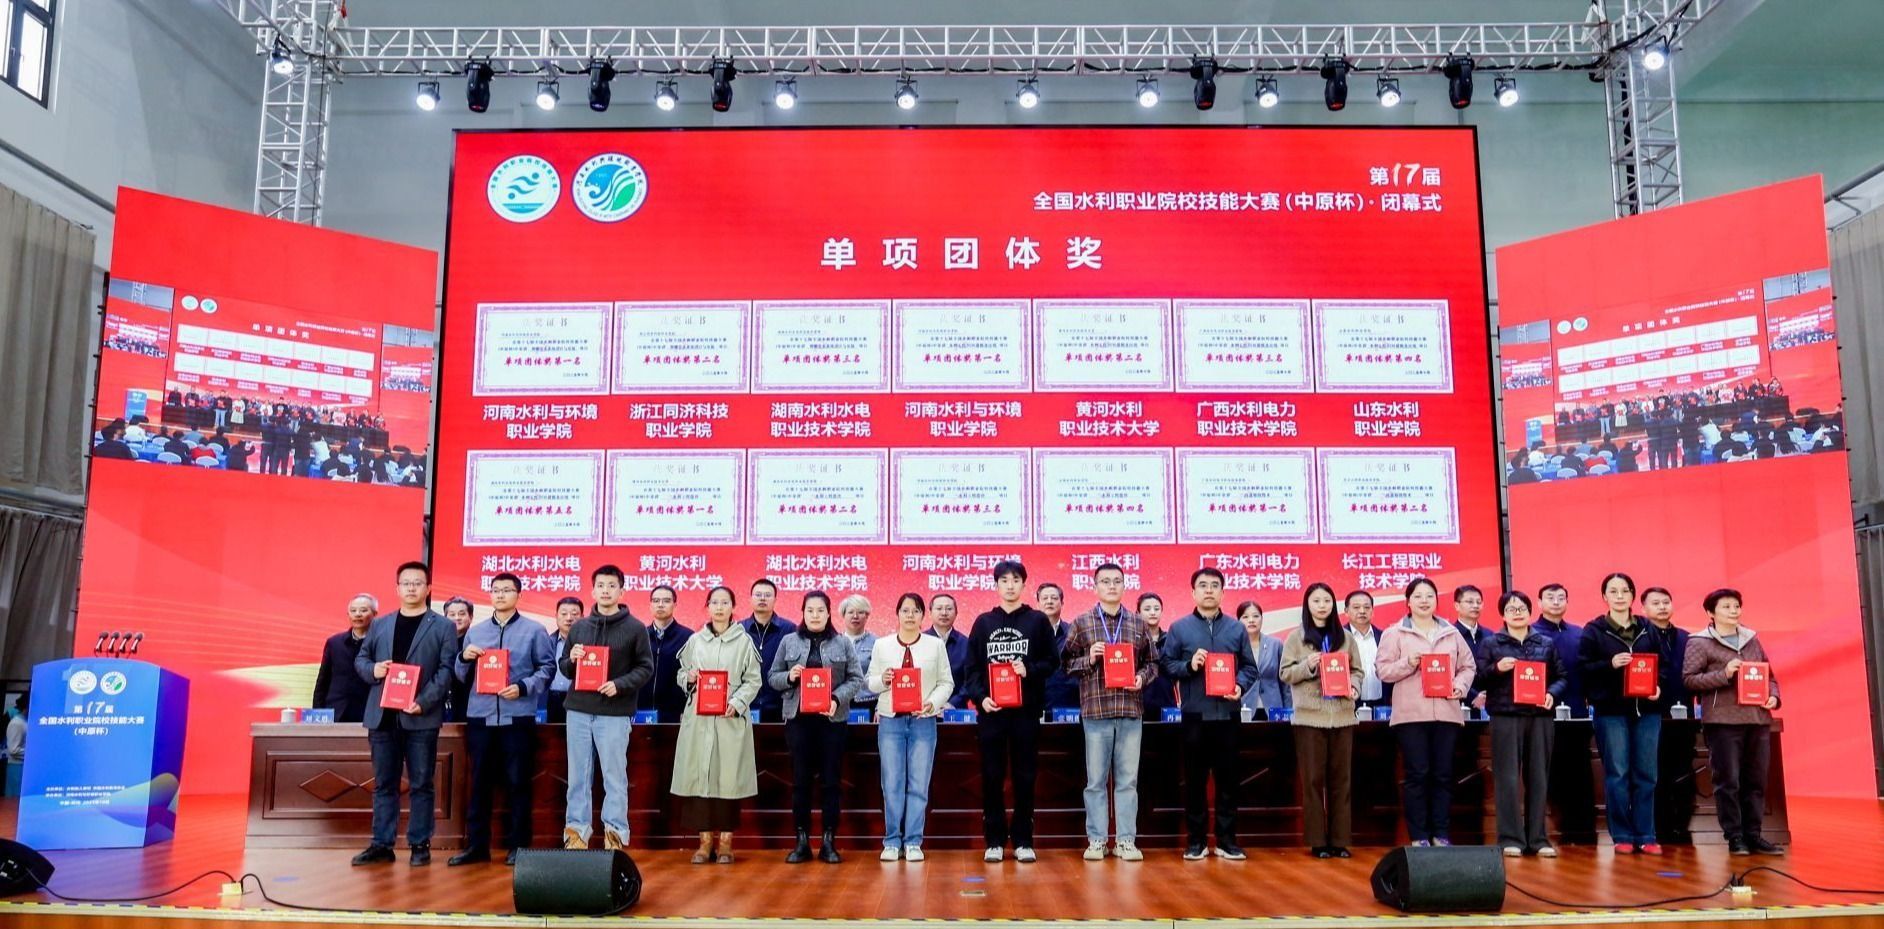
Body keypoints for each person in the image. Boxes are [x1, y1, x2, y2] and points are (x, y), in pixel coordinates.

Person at [350, 561, 456, 867]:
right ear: (397, 588)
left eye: (417, 583)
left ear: (428, 588)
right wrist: (374, 669)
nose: (411, 588)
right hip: (382, 716)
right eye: (406, 583)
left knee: (421, 783)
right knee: (384, 783)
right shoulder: (380, 624)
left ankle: (419, 843)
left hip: (420, 716)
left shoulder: (443, 626)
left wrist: (423, 701)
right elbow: (361, 659)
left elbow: (446, 670)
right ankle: (381, 844)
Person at [450, 572, 556, 866]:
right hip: (480, 717)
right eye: (495, 590)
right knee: (479, 784)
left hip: (517, 718)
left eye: (506, 590)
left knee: (517, 784)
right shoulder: (476, 632)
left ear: (519, 595)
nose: (500, 595)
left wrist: (523, 687)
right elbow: (460, 675)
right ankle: (477, 847)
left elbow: (547, 669)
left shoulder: (535, 631)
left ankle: (518, 846)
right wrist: (464, 658)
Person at [1160, 567, 1258, 861]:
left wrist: (1240, 686)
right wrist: (1190, 665)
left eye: (1215, 585)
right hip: (1195, 716)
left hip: (1228, 715)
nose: (1209, 590)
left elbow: (1249, 667)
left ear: (1223, 593)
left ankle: (1227, 841)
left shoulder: (1236, 629)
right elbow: (1166, 665)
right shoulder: (1179, 628)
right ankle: (1196, 841)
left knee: (1228, 782)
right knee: (1195, 782)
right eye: (1203, 585)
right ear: (1193, 593)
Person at [1061, 562, 1157, 861]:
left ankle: (1126, 841)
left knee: (1128, 781)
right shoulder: (1082, 622)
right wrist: (1089, 658)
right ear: (1095, 587)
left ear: (1125, 586)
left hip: (1130, 709)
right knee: (1095, 782)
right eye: (1105, 581)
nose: (1112, 586)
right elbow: (1065, 665)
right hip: (1096, 712)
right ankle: (1097, 840)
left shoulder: (1138, 623)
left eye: (1117, 581)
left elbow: (1153, 663)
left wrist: (1141, 678)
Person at [963, 560, 1058, 863]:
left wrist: (1028, 669)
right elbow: (971, 669)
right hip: (992, 713)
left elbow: (1052, 662)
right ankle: (994, 840)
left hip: (1026, 713)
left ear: (1024, 584)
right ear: (996, 585)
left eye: (1016, 580)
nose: (1010, 585)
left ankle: (1023, 840)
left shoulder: (1037, 621)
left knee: (1025, 776)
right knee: (992, 776)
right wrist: (981, 698)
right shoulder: (983, 623)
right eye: (1004, 580)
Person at [1681, 588, 1785, 856]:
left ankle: (1754, 835)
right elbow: (1689, 680)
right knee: (1728, 781)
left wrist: (1773, 697)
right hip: (1723, 721)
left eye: (1736, 606)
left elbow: (1769, 676)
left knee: (1756, 780)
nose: (1733, 611)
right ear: (1711, 613)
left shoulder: (1751, 639)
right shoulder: (1699, 642)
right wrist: (1724, 674)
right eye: (1726, 607)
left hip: (1757, 718)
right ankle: (1735, 836)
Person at [559, 565, 655, 852]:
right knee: (578, 776)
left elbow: (645, 668)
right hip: (578, 710)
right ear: (592, 590)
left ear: (621, 591)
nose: (605, 590)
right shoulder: (579, 627)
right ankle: (576, 832)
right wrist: (572, 659)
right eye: (600, 585)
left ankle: (615, 833)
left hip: (614, 712)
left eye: (611, 586)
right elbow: (564, 668)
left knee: (614, 776)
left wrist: (619, 684)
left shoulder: (635, 628)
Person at [1376, 577, 1476, 847]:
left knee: (1443, 775)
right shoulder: (1395, 633)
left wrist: (1459, 686)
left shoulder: (1451, 633)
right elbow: (1383, 671)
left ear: (1436, 600)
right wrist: (1407, 663)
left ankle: (1440, 834)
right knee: (1417, 774)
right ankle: (1419, 836)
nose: (1424, 601)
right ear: (1408, 602)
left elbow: (1468, 667)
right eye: (1418, 596)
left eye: (1429, 596)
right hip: (1411, 716)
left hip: (1446, 714)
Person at [1578, 572, 1674, 854]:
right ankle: (1621, 835)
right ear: (1604, 597)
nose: (1620, 596)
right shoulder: (1594, 630)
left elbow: (1664, 666)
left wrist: (1658, 687)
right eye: (1613, 591)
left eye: (1625, 590)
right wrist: (1609, 664)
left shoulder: (1648, 628)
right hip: (1611, 712)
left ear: (1633, 595)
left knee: (1647, 775)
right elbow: (1583, 670)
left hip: (1647, 711)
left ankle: (1646, 834)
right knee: (1617, 774)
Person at [768, 590, 866, 864]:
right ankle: (801, 842)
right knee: (800, 782)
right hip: (798, 721)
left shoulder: (842, 643)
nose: (815, 615)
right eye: (810, 610)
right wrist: (789, 676)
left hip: (831, 722)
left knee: (831, 783)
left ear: (828, 613)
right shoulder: (788, 641)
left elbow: (856, 679)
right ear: (803, 612)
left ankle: (828, 841)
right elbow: (772, 677)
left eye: (820, 610)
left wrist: (836, 698)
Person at [674, 586, 763, 865]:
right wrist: (688, 678)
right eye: (714, 602)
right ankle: (704, 843)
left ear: (733, 607)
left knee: (728, 781)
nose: (720, 607)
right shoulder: (695, 640)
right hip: (699, 719)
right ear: (708, 606)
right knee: (699, 779)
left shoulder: (743, 641)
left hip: (729, 718)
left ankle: (725, 842)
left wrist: (737, 702)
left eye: (725, 602)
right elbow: (681, 674)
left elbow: (754, 680)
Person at [1475, 591, 1566, 858]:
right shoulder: (1491, 643)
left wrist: (1552, 693)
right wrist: (1497, 669)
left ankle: (1538, 839)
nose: (1517, 613)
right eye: (1511, 609)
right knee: (1507, 778)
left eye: (1522, 608)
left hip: (1540, 717)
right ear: (1502, 614)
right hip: (1505, 716)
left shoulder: (1545, 643)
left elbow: (1561, 676)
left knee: (1538, 777)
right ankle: (1509, 838)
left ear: (1529, 612)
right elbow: (1478, 679)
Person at [867, 592, 954, 861]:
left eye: (915, 611)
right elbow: (870, 683)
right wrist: (883, 680)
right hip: (890, 720)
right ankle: (892, 841)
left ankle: (914, 841)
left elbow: (946, 683)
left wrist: (931, 703)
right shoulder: (882, 645)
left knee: (918, 783)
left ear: (922, 616)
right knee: (892, 783)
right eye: (905, 610)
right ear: (897, 614)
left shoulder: (935, 645)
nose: (909, 615)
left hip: (923, 721)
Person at [1278, 582, 1362, 859]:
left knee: (1341, 781)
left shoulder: (1345, 638)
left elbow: (1357, 671)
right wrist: (1308, 665)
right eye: (1316, 601)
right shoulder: (1296, 637)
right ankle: (1317, 841)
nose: (1322, 605)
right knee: (1313, 781)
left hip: (1342, 717)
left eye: (1327, 600)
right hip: (1310, 718)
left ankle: (1340, 840)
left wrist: (1355, 688)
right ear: (1307, 605)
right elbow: (1285, 674)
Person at [1535, 581, 1596, 843]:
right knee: (1550, 772)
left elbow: (1588, 671)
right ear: (1539, 603)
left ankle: (1582, 830)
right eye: (1550, 597)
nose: (1556, 602)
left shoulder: (1579, 634)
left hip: (1578, 713)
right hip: (1542, 713)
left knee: (1580, 771)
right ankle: (1555, 829)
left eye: (1561, 597)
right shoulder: (1532, 633)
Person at [1642, 585, 1696, 843]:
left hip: (1684, 716)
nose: (1662, 607)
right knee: (1655, 771)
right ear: (1643, 609)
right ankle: (1658, 827)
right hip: (1650, 713)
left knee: (1683, 770)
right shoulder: (1640, 637)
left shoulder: (1688, 638)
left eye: (1666, 602)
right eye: (1655, 603)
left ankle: (1682, 826)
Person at [312, 594, 376, 723]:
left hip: (369, 713)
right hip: (336, 712)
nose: (358, 614)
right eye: (353, 611)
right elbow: (323, 682)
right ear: (348, 615)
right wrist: (317, 713)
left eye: (363, 610)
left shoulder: (381, 643)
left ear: (374, 614)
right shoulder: (334, 643)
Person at [741, 578, 796, 723]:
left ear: (775, 600)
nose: (762, 598)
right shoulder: (739, 629)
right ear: (750, 599)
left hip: (779, 704)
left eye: (767, 595)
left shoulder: (789, 629)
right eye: (758, 595)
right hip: (744, 704)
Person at [640, 585, 693, 723]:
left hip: (675, 714)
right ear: (650, 605)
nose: (660, 605)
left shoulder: (689, 637)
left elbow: (692, 677)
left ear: (675, 604)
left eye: (666, 601)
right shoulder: (640, 635)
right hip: (640, 711)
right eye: (656, 601)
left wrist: (686, 710)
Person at [1234, 601, 1290, 718]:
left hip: (1274, 709)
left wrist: (1289, 710)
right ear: (1238, 621)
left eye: (1256, 616)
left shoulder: (1275, 644)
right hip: (1244, 708)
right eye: (1245, 617)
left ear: (1262, 619)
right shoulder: (1233, 647)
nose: (1251, 620)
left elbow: (1285, 683)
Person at [1343, 591, 1390, 711]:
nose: (1362, 611)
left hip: (1382, 705)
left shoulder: (1384, 637)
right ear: (1346, 611)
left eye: (1367, 607)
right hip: (1348, 703)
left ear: (1372, 611)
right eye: (1356, 607)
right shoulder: (1338, 638)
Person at [1038, 582, 1081, 712]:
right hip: (1037, 705)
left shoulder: (1074, 632)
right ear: (1038, 603)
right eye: (1045, 598)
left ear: (1062, 603)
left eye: (1054, 598)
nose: (1049, 601)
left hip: (1069, 704)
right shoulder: (1029, 634)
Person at [1137, 593, 1178, 721]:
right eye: (1147, 609)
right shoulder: (1133, 642)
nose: (1152, 612)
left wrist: (1180, 702)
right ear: (1138, 613)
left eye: (1156, 608)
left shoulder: (1171, 640)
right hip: (1139, 705)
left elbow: (1177, 675)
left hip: (1167, 703)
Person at [925, 593, 971, 709]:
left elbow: (970, 679)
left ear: (956, 613)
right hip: (924, 709)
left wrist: (952, 704)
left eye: (949, 609)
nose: (944, 613)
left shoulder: (966, 643)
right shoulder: (920, 642)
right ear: (930, 613)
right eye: (939, 608)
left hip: (956, 710)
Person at [1452, 586, 1492, 714]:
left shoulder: (1490, 635)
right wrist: (1472, 696)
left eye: (1478, 602)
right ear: (1457, 606)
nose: (1475, 606)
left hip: (1489, 703)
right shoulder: (1449, 635)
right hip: (1458, 702)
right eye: (1470, 602)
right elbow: (1448, 672)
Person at [542, 596, 581, 724]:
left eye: (574, 614)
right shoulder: (546, 642)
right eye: (564, 614)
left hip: (581, 700)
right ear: (556, 616)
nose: (569, 618)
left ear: (582, 617)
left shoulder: (590, 644)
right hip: (552, 699)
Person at [442, 597, 476, 723]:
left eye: (462, 614)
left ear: (471, 617)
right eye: (452, 614)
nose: (457, 618)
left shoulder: (477, 642)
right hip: (442, 703)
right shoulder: (437, 641)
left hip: (469, 703)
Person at [839, 594, 878, 679]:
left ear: (867, 616)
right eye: (850, 612)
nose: (855, 616)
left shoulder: (877, 643)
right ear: (843, 615)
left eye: (860, 612)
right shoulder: (832, 642)